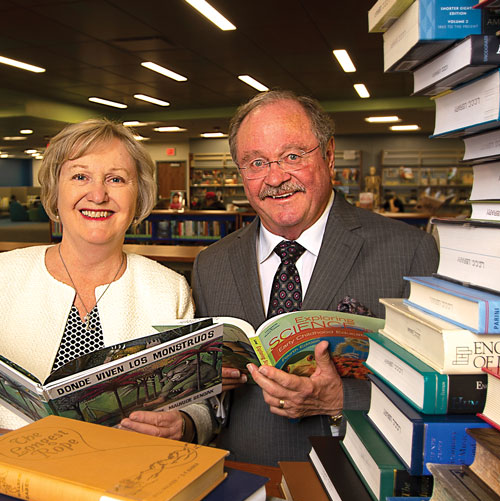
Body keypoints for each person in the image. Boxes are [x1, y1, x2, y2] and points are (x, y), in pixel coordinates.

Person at [122, 91, 439, 464]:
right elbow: (204, 399)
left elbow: (437, 391)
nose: (275, 177)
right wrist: (191, 413)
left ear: (329, 154)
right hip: (241, 479)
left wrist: (341, 399)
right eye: (256, 162)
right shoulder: (212, 265)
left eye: (292, 156)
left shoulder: (410, 252)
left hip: (356, 481)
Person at [0, 119, 197, 432]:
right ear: (55, 190)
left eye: (116, 179)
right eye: (80, 176)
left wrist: (182, 423)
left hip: (123, 469)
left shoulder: (169, 289)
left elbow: (188, 398)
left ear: (140, 195)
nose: (98, 194)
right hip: (6, 464)